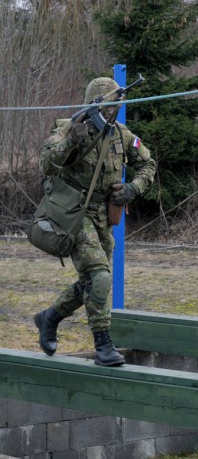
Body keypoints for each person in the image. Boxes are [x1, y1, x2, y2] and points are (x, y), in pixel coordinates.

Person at [34, 77, 156, 366]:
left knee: (93, 281)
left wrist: (132, 189)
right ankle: (103, 345)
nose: (112, 110)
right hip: (74, 215)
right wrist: (72, 140)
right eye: (108, 104)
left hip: (104, 218)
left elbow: (147, 164)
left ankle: (49, 317)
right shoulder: (70, 127)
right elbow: (46, 164)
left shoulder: (122, 135)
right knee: (100, 277)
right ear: (95, 103)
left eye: (116, 103)